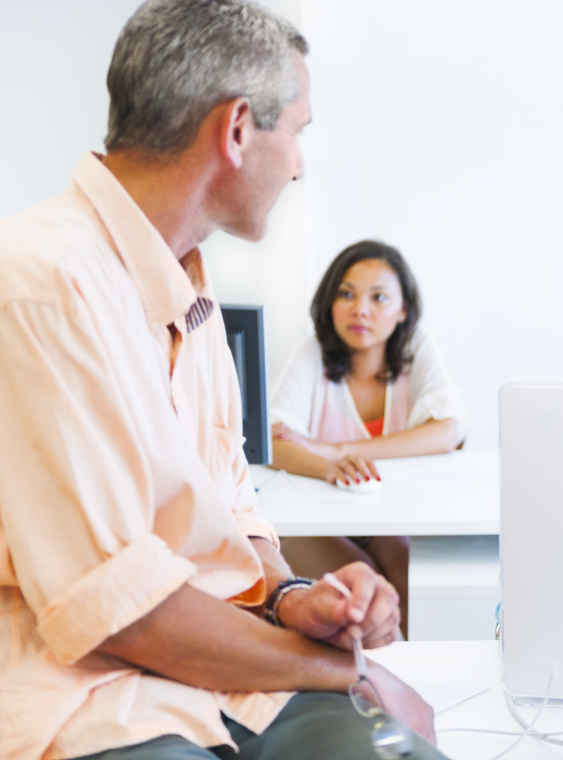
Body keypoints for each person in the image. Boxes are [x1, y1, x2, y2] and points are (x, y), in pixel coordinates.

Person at [0, 2, 443, 759]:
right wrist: (343, 671)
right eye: (297, 131)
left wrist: (293, 597)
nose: (301, 162)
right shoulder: (44, 285)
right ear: (238, 129)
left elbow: (235, 518)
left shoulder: (193, 301)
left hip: (238, 677)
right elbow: (119, 614)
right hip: (95, 698)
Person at [269, 240, 468, 639]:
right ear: (329, 303)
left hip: (391, 520)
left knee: (409, 586)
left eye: (379, 298)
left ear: (403, 310)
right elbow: (272, 442)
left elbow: (448, 431)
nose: (361, 309)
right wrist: (327, 466)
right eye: (346, 294)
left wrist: (337, 450)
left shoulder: (415, 347)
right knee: (367, 597)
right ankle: (377, 693)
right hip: (318, 523)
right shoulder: (310, 353)